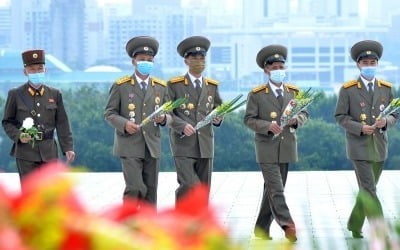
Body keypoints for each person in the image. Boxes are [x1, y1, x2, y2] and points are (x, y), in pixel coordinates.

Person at [244, 45, 308, 242]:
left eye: (282, 67)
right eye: (275, 68)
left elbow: (305, 113)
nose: (279, 71)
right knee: (276, 189)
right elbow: (249, 119)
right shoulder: (257, 94)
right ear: (266, 70)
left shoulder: (294, 92)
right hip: (266, 148)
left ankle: (261, 229)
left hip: (286, 147)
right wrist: (267, 126)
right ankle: (288, 225)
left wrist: (296, 120)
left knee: (271, 190)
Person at [335, 40, 397, 239]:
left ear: (377, 64)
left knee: (367, 189)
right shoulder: (348, 89)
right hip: (358, 147)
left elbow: (396, 113)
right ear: (358, 65)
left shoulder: (386, 88)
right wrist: (360, 127)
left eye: (373, 62)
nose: (369, 66)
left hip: (379, 146)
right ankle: (380, 232)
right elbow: (340, 117)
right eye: (365, 62)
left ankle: (354, 223)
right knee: (369, 189)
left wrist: (385, 121)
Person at [104, 36, 170, 205]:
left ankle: (148, 228)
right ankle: (127, 224)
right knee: (135, 187)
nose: (146, 63)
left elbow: (172, 115)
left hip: (152, 145)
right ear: (133, 61)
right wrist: (124, 124)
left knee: (150, 190)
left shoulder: (160, 87)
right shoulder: (121, 86)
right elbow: (110, 113)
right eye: (142, 60)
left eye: (149, 60)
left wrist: (164, 119)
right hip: (129, 144)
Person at [2, 49, 75, 182]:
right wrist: (19, 135)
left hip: (49, 151)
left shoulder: (54, 94)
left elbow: (62, 123)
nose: (37, 72)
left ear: (45, 70)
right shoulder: (16, 94)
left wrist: (68, 147)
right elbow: (7, 121)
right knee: (29, 194)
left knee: (48, 193)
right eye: (32, 69)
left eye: (40, 69)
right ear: (25, 72)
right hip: (26, 152)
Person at [167, 36, 223, 203]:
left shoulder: (212, 85)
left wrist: (218, 117)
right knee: (189, 185)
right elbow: (167, 112)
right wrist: (181, 125)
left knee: (203, 190)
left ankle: (201, 226)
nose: (199, 61)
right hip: (183, 143)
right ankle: (180, 223)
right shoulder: (174, 85)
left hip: (205, 143)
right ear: (186, 60)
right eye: (194, 58)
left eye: (202, 58)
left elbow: (218, 107)